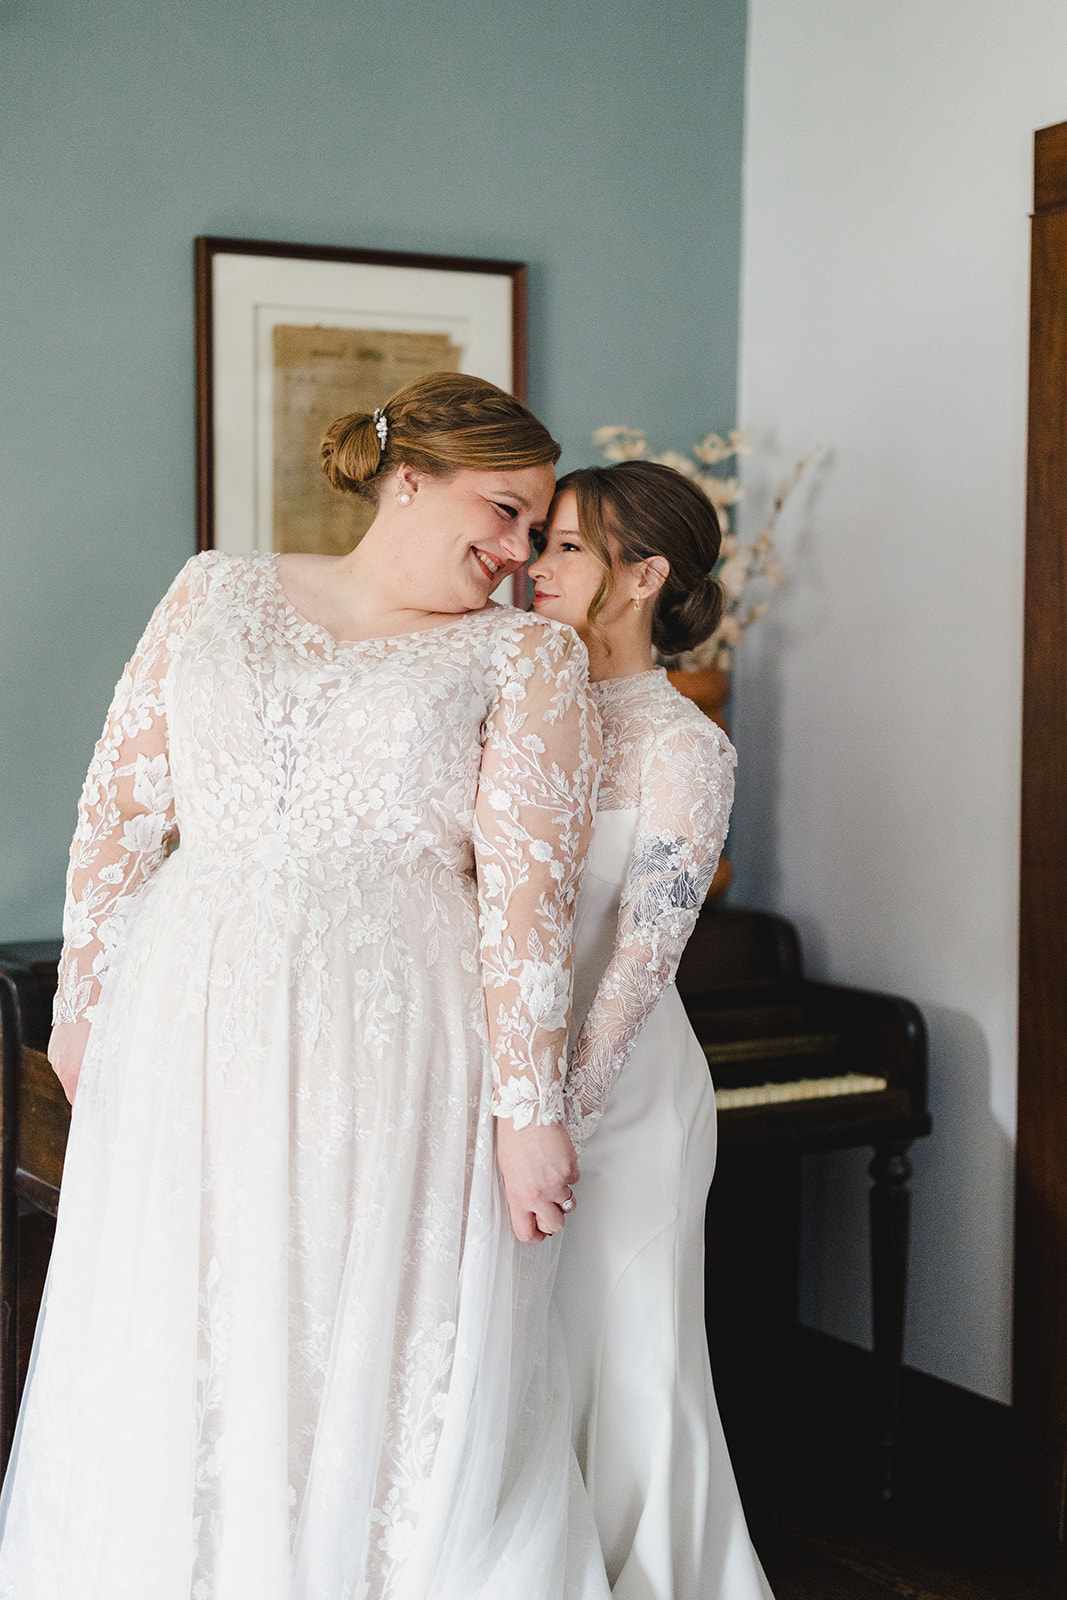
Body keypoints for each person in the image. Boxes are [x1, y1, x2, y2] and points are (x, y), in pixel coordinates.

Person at [0, 372, 611, 1600]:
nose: (512, 554)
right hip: (189, 1010)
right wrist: (81, 1010)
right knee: (188, 1301)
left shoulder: (527, 655)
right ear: (404, 479)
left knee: (354, 1319)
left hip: (392, 1032)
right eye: (499, 513)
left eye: (534, 534)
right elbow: (120, 804)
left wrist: (527, 1105)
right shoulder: (213, 588)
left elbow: (528, 898)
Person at [529, 460, 774, 1600]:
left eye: (568, 546)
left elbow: (642, 955)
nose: (537, 563)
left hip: (620, 1100)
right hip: (516, 1087)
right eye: (544, 539)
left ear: (642, 574)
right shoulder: (523, 706)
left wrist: (555, 1113)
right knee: (526, 1358)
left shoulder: (687, 748)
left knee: (632, 1357)